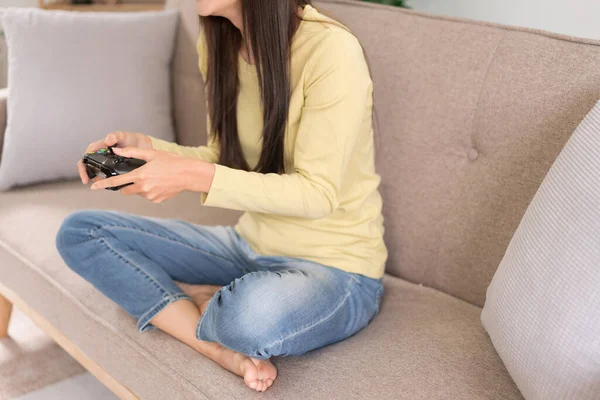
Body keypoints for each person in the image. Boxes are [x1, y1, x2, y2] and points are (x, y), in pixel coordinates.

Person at [55, 0, 387, 393]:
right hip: (248, 246)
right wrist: (150, 150)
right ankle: (212, 341)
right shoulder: (219, 42)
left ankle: (194, 302)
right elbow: (225, 157)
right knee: (81, 233)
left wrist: (187, 174)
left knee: (246, 319)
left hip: (337, 268)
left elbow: (318, 193)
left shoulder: (331, 51)